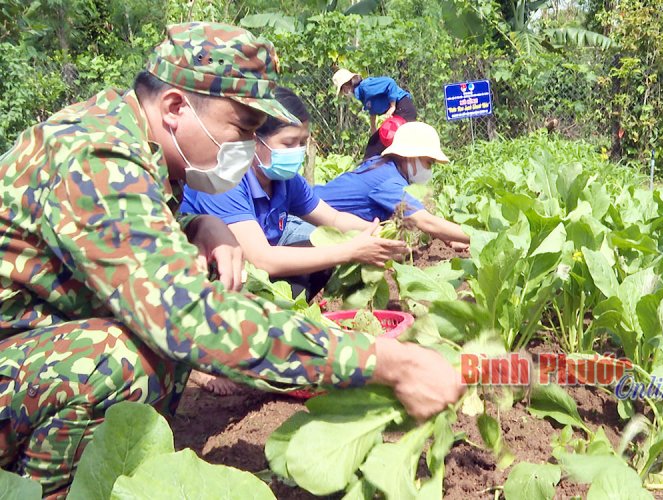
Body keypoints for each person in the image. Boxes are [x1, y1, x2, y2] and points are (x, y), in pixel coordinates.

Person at [0, 23, 463, 498]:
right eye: (241, 129)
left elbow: (110, 251)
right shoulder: (98, 155)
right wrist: (384, 361)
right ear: (177, 107)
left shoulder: (135, 141)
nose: (246, 147)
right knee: (113, 358)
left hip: (28, 347)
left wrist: (198, 227)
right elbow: (186, 317)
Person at [180, 87, 408, 394]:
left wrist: (374, 232)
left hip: (253, 273)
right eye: (289, 143)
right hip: (204, 274)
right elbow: (262, 258)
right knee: (319, 256)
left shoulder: (286, 180)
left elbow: (335, 220)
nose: (297, 152)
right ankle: (200, 359)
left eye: (302, 143)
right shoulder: (226, 180)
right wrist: (350, 251)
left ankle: (269, 336)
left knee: (320, 251)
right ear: (254, 141)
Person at [315, 121, 471, 250]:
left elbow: (413, 219)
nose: (430, 170)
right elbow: (425, 222)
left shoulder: (383, 166)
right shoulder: (389, 181)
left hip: (316, 218)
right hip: (306, 224)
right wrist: (478, 237)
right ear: (411, 156)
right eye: (429, 163)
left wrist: (449, 240)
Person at [332, 68, 417, 159]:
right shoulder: (361, 94)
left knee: (380, 147)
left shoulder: (366, 86)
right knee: (373, 144)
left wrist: (392, 106)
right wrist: (373, 127)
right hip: (398, 111)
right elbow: (372, 108)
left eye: (342, 90)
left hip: (403, 108)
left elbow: (390, 83)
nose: (344, 93)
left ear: (346, 86)